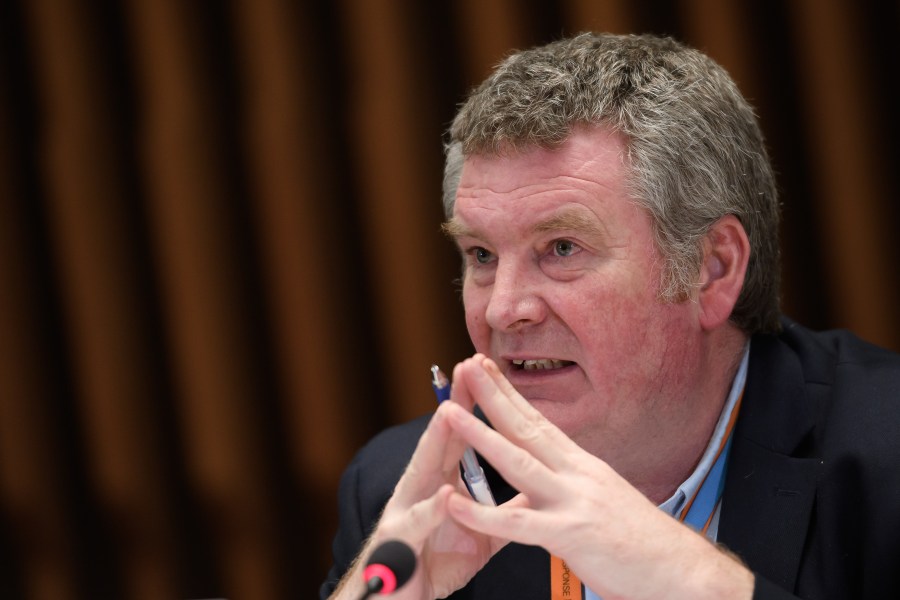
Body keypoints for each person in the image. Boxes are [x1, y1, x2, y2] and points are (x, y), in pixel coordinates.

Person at [320, 32, 900, 600]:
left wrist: (693, 582)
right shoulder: (411, 493)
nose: (503, 308)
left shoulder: (883, 458)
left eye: (562, 249)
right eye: (482, 256)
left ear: (713, 268)